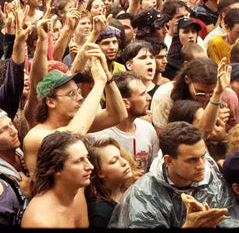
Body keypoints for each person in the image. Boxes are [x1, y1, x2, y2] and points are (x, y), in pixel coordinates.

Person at [108, 121, 239, 228]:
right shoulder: (143, 196)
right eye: (192, 160)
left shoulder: (213, 180)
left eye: (203, 156)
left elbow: (233, 222)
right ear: (168, 160)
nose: (202, 165)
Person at [22, 45, 127, 175]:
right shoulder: (35, 136)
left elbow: (117, 114)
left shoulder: (71, 123)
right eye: (71, 94)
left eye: (78, 92)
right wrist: (99, 82)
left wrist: (107, 76)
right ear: (50, 101)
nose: (80, 98)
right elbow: (71, 136)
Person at [88, 71, 159, 174]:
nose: (149, 97)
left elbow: (152, 169)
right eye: (143, 94)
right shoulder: (97, 135)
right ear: (125, 103)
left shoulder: (148, 129)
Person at [21, 131, 93, 228]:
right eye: (79, 161)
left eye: (87, 157)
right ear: (56, 169)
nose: (90, 166)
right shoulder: (39, 222)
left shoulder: (77, 188)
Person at [85, 137, 138, 228]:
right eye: (114, 161)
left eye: (121, 156)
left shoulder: (131, 192)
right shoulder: (99, 213)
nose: (124, 162)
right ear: (100, 173)